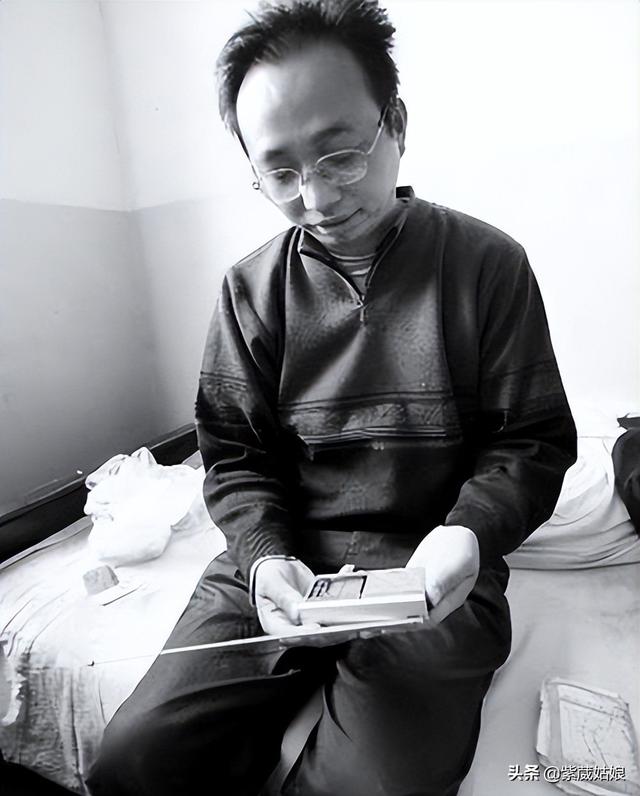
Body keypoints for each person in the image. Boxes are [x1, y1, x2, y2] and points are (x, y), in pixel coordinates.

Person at [87, 1, 577, 794]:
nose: (316, 197)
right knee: (135, 761)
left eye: (340, 155)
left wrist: (470, 533)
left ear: (396, 125)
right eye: (279, 172)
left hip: (429, 570)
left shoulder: (486, 265)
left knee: (368, 785)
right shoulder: (250, 291)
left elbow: (530, 441)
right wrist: (262, 559)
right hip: (287, 558)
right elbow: (235, 457)